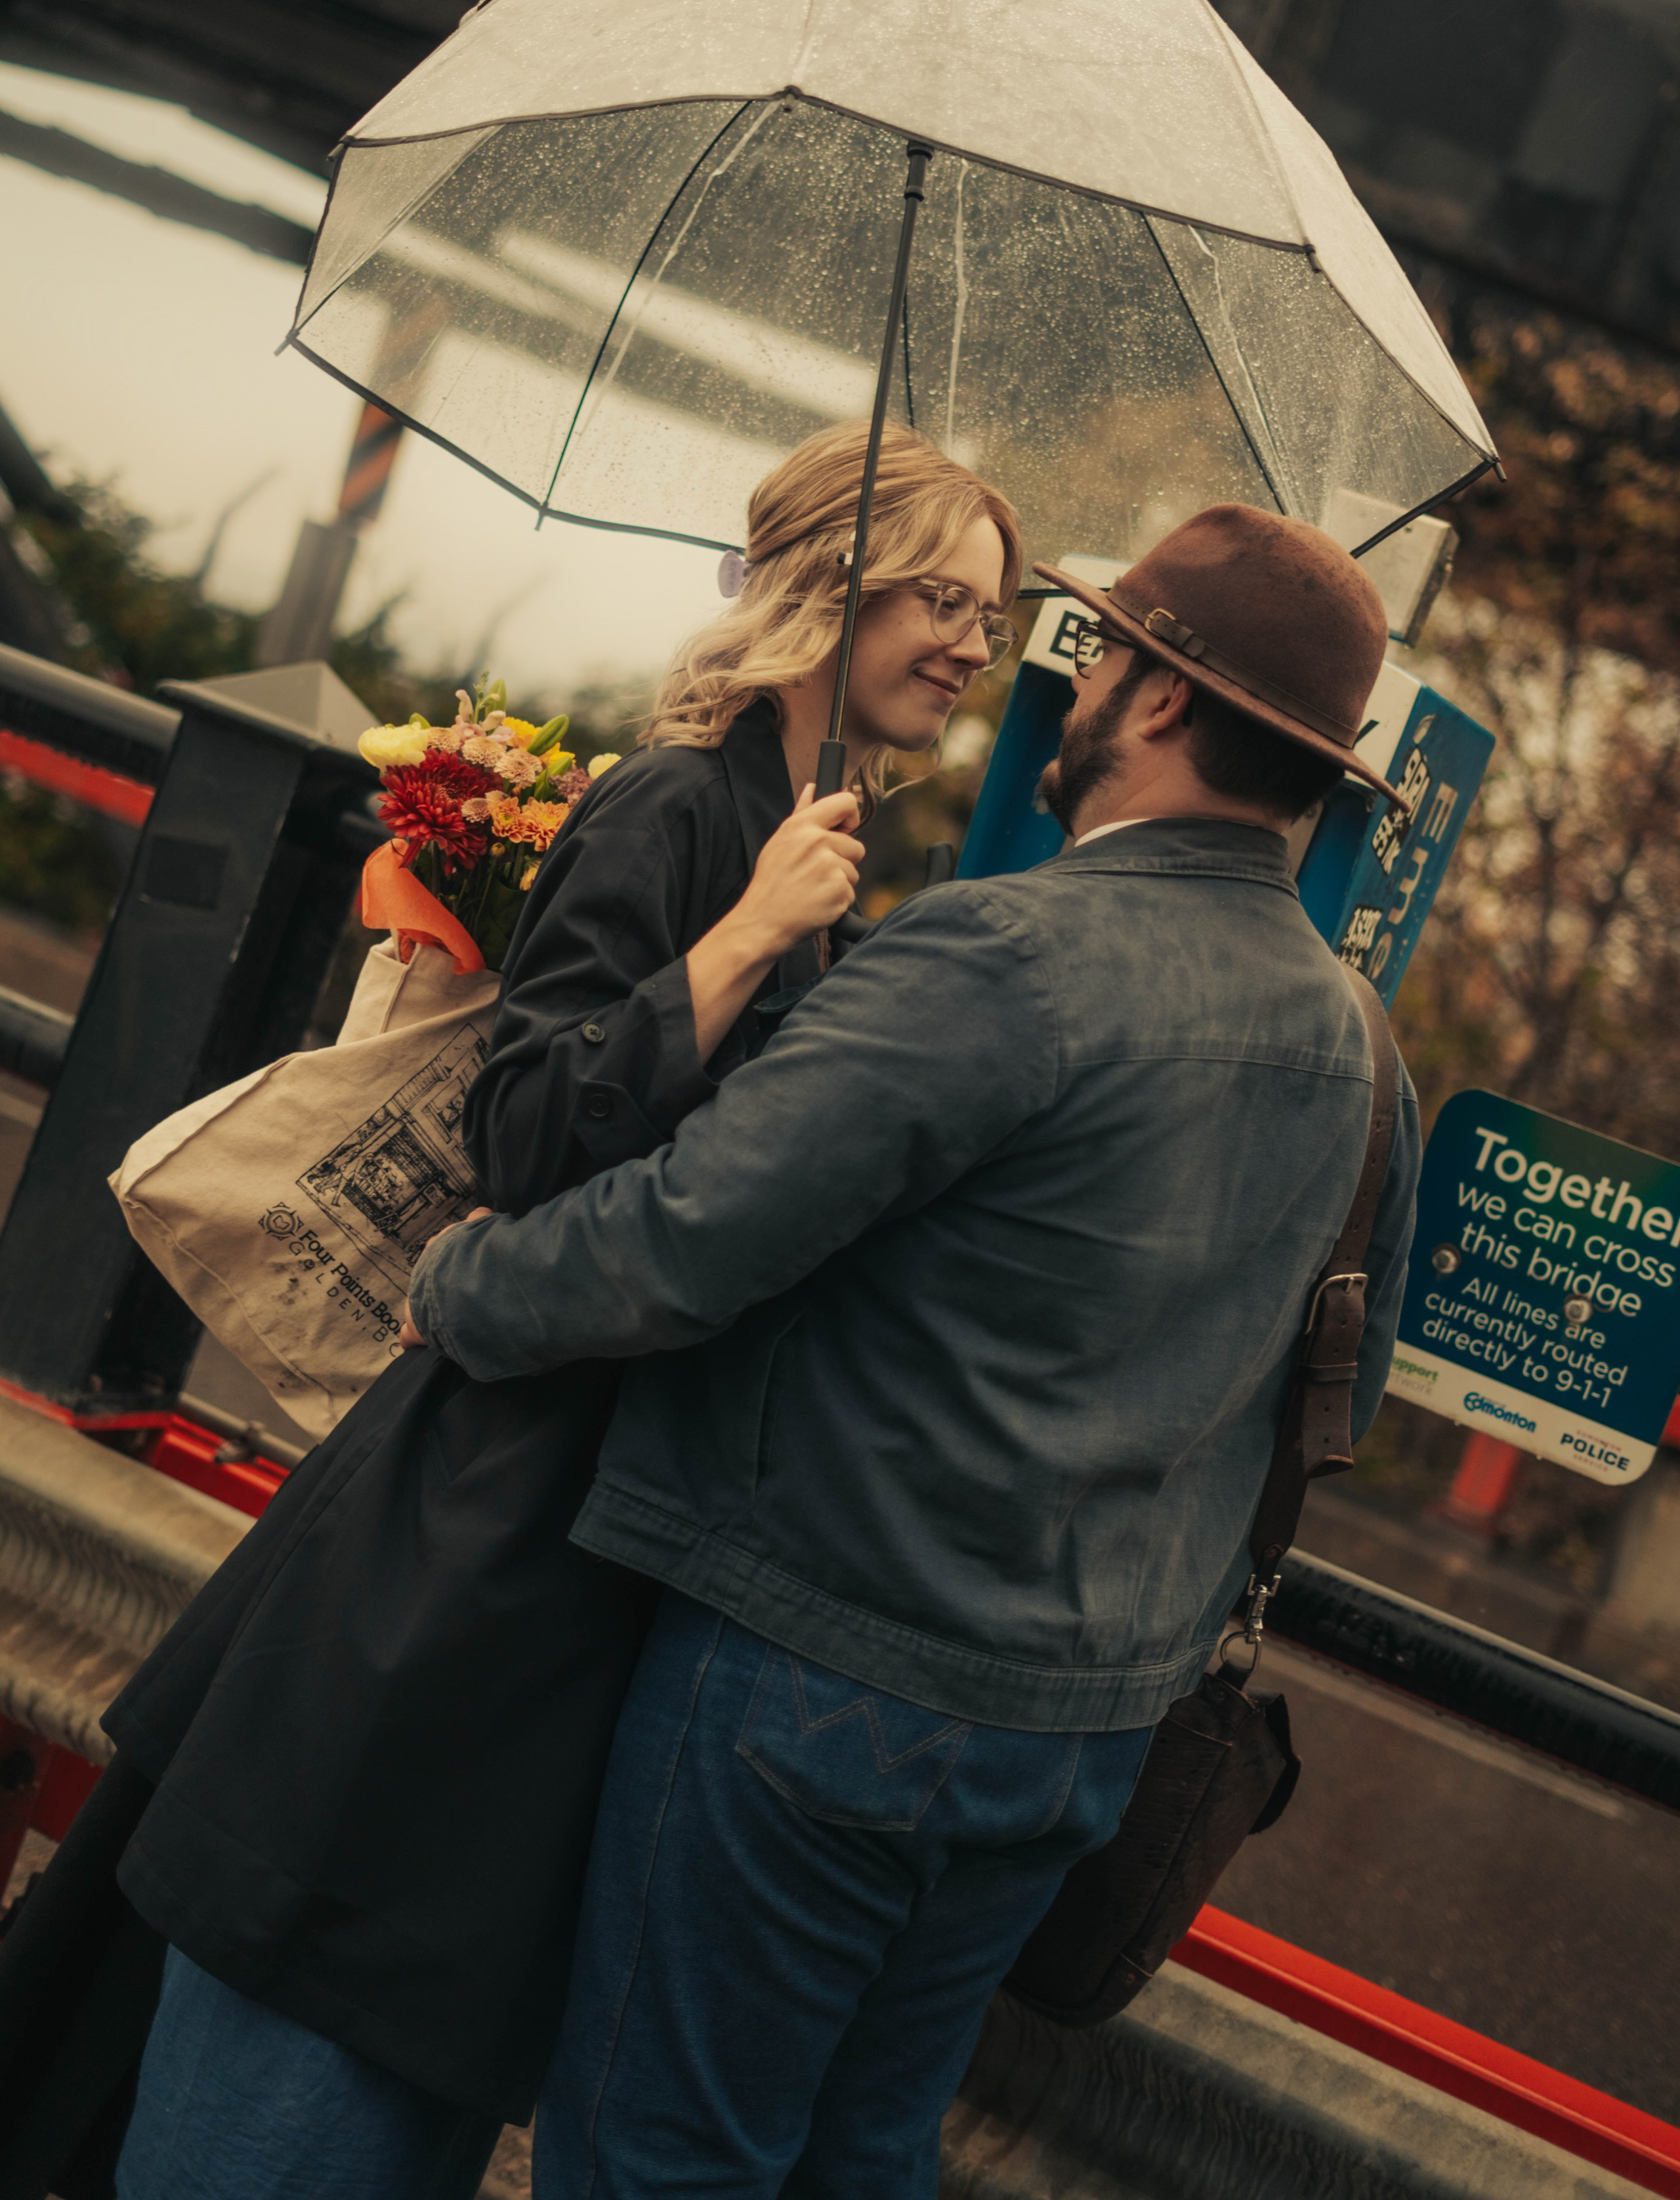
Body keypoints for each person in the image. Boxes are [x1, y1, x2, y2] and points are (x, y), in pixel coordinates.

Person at [0, 421, 1021, 2200]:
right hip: (472, 1517)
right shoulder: (683, 808)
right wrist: (742, 942)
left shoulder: (809, 843)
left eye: (992, 621)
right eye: (940, 595)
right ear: (829, 587)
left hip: (589, 1514)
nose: (969, 645)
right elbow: (528, 1122)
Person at [395, 501, 1420, 2198]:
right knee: (866, 2154)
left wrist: (456, 1280)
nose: (1069, 684)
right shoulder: (1363, 1051)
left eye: (1097, 653)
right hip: (1077, 1741)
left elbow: (682, 1239)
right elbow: (1336, 1400)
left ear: (1156, 699)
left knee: (656, 2156)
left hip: (821, 1685)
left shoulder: (1006, 951)